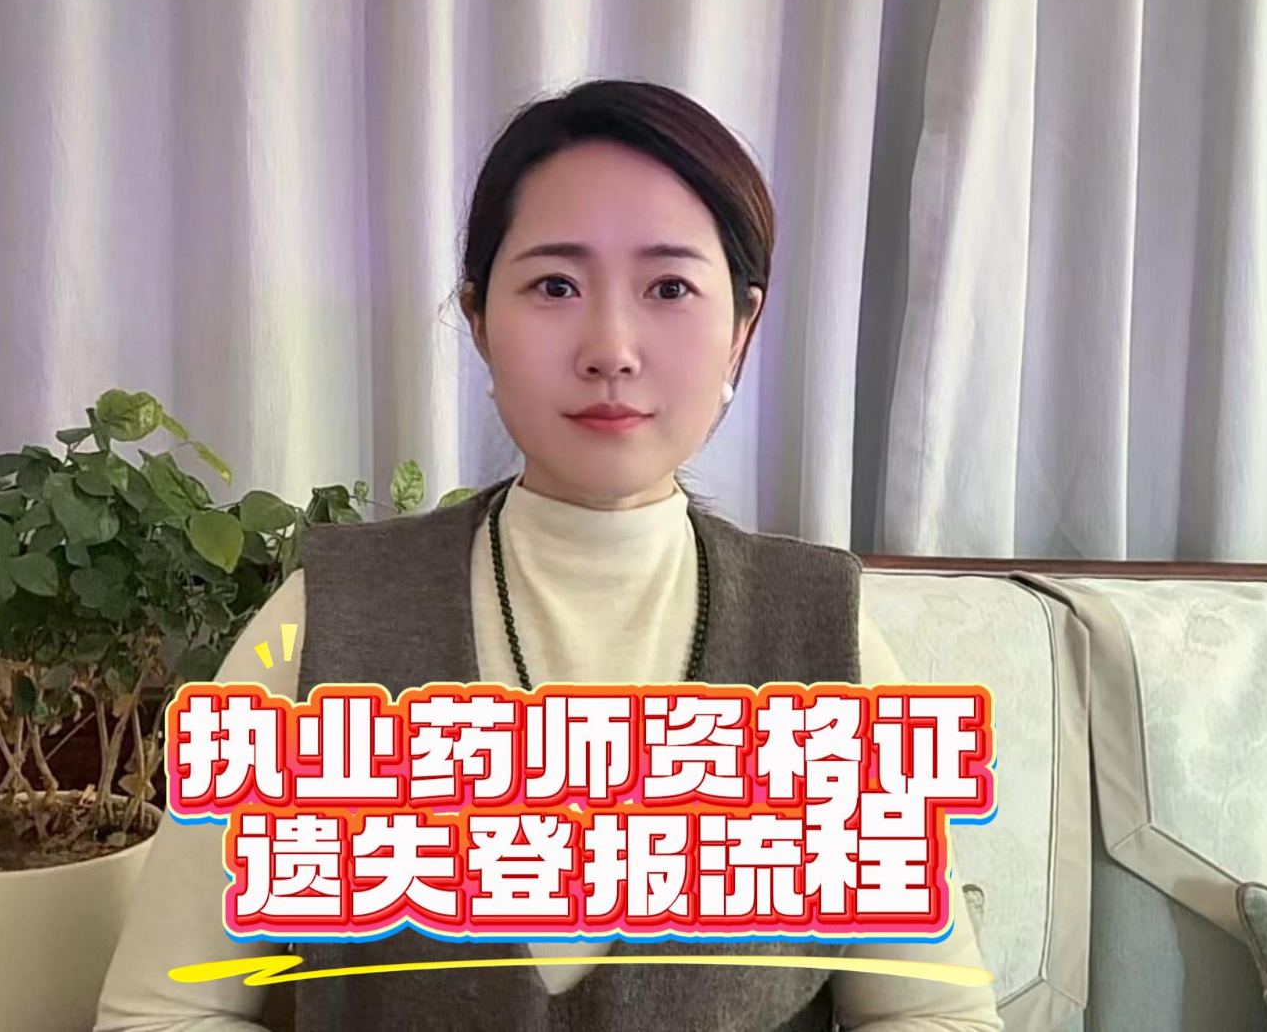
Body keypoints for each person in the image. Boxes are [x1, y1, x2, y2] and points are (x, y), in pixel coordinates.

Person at [95, 79, 1002, 1031]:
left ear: (742, 328)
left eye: (669, 288)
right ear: (481, 321)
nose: (611, 348)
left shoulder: (823, 639)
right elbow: (164, 1011)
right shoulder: (327, 620)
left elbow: (933, 1014)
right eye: (556, 286)